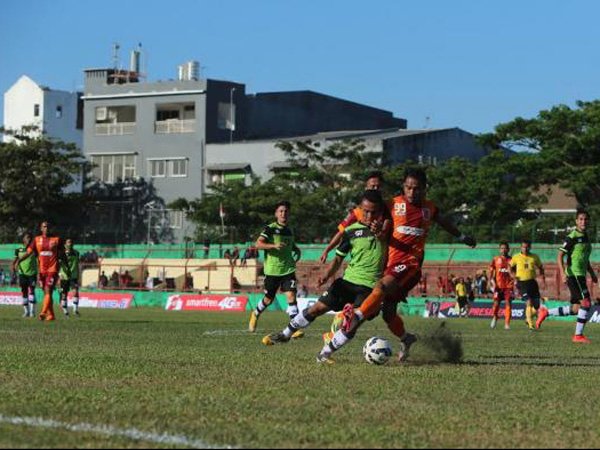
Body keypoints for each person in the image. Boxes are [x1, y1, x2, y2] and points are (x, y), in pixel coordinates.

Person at [319, 168, 476, 363]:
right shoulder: (393, 204)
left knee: (379, 290)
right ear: (403, 187)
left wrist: (461, 236)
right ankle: (406, 338)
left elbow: (443, 221)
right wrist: (378, 229)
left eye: (416, 189)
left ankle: (355, 318)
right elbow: (369, 221)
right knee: (388, 314)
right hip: (389, 265)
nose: (412, 192)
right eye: (408, 188)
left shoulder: (429, 208)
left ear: (425, 189)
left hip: (410, 264)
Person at [261, 191, 386, 354]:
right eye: (365, 211)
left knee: (353, 322)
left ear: (380, 212)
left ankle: (325, 353)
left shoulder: (387, 230)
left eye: (373, 212)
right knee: (316, 308)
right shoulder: (351, 231)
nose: (369, 215)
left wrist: (381, 233)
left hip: (369, 287)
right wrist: (326, 275)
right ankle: (285, 334)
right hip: (347, 282)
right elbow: (338, 259)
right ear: (360, 209)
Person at [537, 209, 598, 343]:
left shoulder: (586, 236)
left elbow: (583, 258)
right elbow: (559, 256)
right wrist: (563, 273)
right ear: (576, 221)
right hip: (574, 274)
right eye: (581, 219)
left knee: (577, 308)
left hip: (580, 274)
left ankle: (546, 312)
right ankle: (578, 335)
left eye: (585, 219)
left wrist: (592, 273)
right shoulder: (572, 236)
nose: (583, 221)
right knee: (586, 303)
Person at [248, 201, 302, 336]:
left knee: (291, 295)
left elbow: (290, 244)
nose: (283, 214)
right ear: (276, 213)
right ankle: (255, 313)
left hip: (288, 269)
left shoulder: (290, 230)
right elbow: (258, 244)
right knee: (268, 299)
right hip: (272, 270)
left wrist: (296, 249)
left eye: (286, 211)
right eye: (281, 211)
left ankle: (294, 328)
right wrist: (273, 246)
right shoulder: (270, 228)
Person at [319, 171, 384, 264]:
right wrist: (327, 250)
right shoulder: (357, 212)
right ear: (366, 187)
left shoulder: (391, 207)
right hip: (366, 261)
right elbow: (341, 232)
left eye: (378, 186)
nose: (376, 189)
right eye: (372, 186)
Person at [15, 221, 64, 321]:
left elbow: (62, 254)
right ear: (41, 228)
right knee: (46, 292)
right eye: (44, 227)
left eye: (48, 226)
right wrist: (19, 260)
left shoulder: (57, 239)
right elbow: (29, 252)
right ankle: (51, 315)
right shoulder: (36, 240)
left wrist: (62, 266)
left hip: (52, 269)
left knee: (48, 290)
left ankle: (43, 312)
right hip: (41, 271)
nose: (47, 228)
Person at [510, 239, 545, 331]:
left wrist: (543, 278)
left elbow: (541, 267)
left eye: (527, 247)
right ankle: (530, 324)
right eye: (523, 247)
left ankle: (527, 318)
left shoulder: (534, 257)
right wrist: (514, 277)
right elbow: (510, 267)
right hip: (521, 283)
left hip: (532, 282)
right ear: (521, 247)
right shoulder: (516, 257)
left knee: (536, 305)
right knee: (528, 302)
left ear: (530, 247)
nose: (525, 249)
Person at [489, 241, 514, 330]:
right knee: (496, 305)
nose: (504, 250)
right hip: (498, 286)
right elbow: (491, 273)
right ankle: (495, 317)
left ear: (508, 249)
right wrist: (491, 282)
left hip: (508, 286)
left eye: (505, 248)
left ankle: (507, 324)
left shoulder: (512, 260)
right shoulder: (495, 259)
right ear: (499, 249)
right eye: (502, 248)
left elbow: (515, 272)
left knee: (508, 303)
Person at [12, 232, 37, 318]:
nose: (29, 239)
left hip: (32, 273)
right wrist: (13, 269)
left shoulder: (34, 249)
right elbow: (14, 261)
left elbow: (40, 259)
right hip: (22, 274)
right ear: (23, 240)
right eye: (27, 237)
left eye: (30, 237)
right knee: (24, 292)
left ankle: (32, 311)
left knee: (32, 291)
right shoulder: (18, 249)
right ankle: (26, 311)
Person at [59, 238, 81, 317]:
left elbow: (77, 265)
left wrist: (78, 275)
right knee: (64, 294)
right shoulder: (61, 253)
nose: (70, 244)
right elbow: (59, 265)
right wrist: (58, 275)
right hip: (64, 276)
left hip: (73, 276)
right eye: (68, 242)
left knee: (75, 292)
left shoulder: (76, 253)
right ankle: (66, 312)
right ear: (65, 244)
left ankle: (75, 310)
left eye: (71, 242)